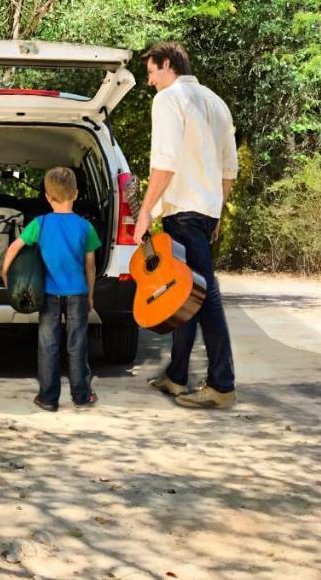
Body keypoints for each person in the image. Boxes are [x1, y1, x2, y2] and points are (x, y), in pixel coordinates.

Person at [133, 42, 239, 409]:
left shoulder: (168, 99)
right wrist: (217, 213)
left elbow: (165, 162)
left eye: (150, 73)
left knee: (204, 296)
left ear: (167, 65)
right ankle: (177, 376)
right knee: (184, 293)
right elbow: (229, 170)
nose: (149, 83)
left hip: (183, 211)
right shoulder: (216, 102)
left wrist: (145, 210)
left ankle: (222, 385)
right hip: (206, 210)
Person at [2, 167, 100, 411]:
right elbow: (91, 265)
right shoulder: (85, 227)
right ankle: (81, 395)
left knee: (48, 345)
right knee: (77, 345)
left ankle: (48, 397)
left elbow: (15, 246)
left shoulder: (40, 223)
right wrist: (90, 294)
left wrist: (6, 272)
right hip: (77, 293)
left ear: (47, 196)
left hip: (49, 294)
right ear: (76, 194)